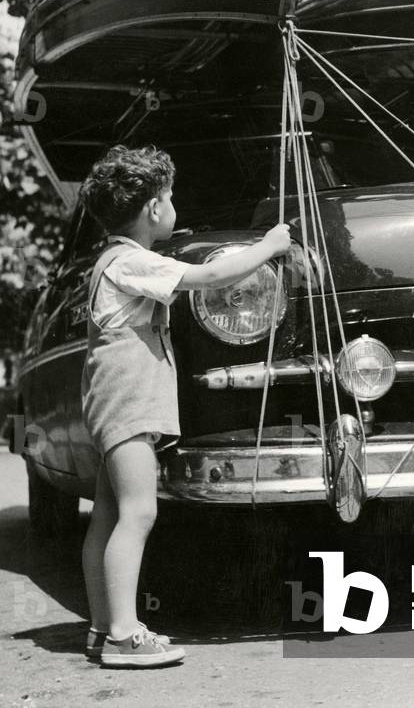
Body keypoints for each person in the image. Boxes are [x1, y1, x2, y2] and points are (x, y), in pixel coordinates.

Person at [78, 145, 291, 667]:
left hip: (112, 401)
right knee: (138, 512)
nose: (175, 206)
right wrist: (270, 244)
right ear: (153, 209)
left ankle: (104, 624)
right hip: (127, 402)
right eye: (170, 197)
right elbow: (213, 278)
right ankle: (124, 638)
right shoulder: (132, 261)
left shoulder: (110, 260)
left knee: (107, 514)